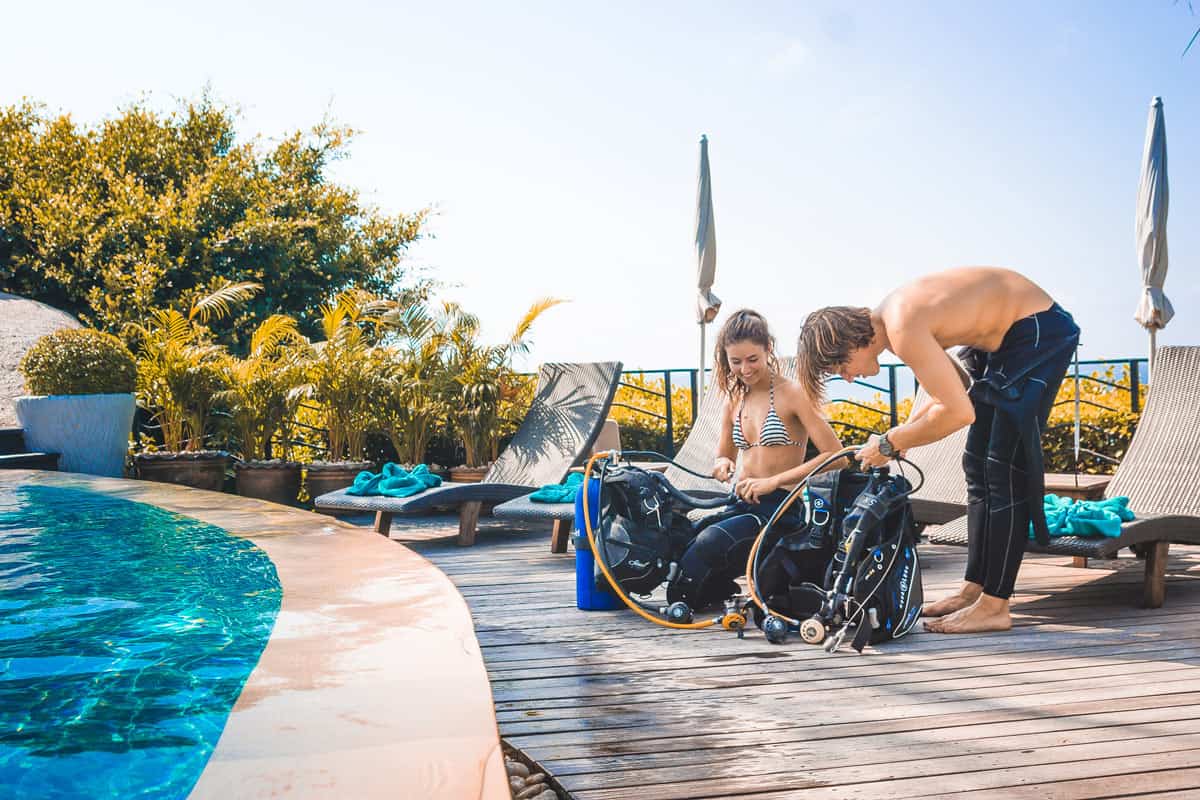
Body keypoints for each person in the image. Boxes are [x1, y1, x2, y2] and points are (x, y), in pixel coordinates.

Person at [796, 267, 1080, 634]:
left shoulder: (902, 326)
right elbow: (954, 387)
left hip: (1038, 330)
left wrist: (890, 444)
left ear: (850, 343)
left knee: (1002, 468)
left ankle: (996, 606)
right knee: (976, 465)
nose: (848, 378)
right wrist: (897, 440)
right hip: (1003, 340)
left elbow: (959, 412)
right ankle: (974, 588)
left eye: (839, 367)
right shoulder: (895, 320)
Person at [668, 309, 845, 609]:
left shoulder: (793, 394)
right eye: (735, 361)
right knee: (681, 540)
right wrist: (722, 464)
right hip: (739, 503)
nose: (745, 369)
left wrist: (771, 482)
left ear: (769, 350)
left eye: (752, 359)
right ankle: (722, 592)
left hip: (779, 508)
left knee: (709, 543)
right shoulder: (734, 399)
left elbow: (836, 457)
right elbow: (724, 454)